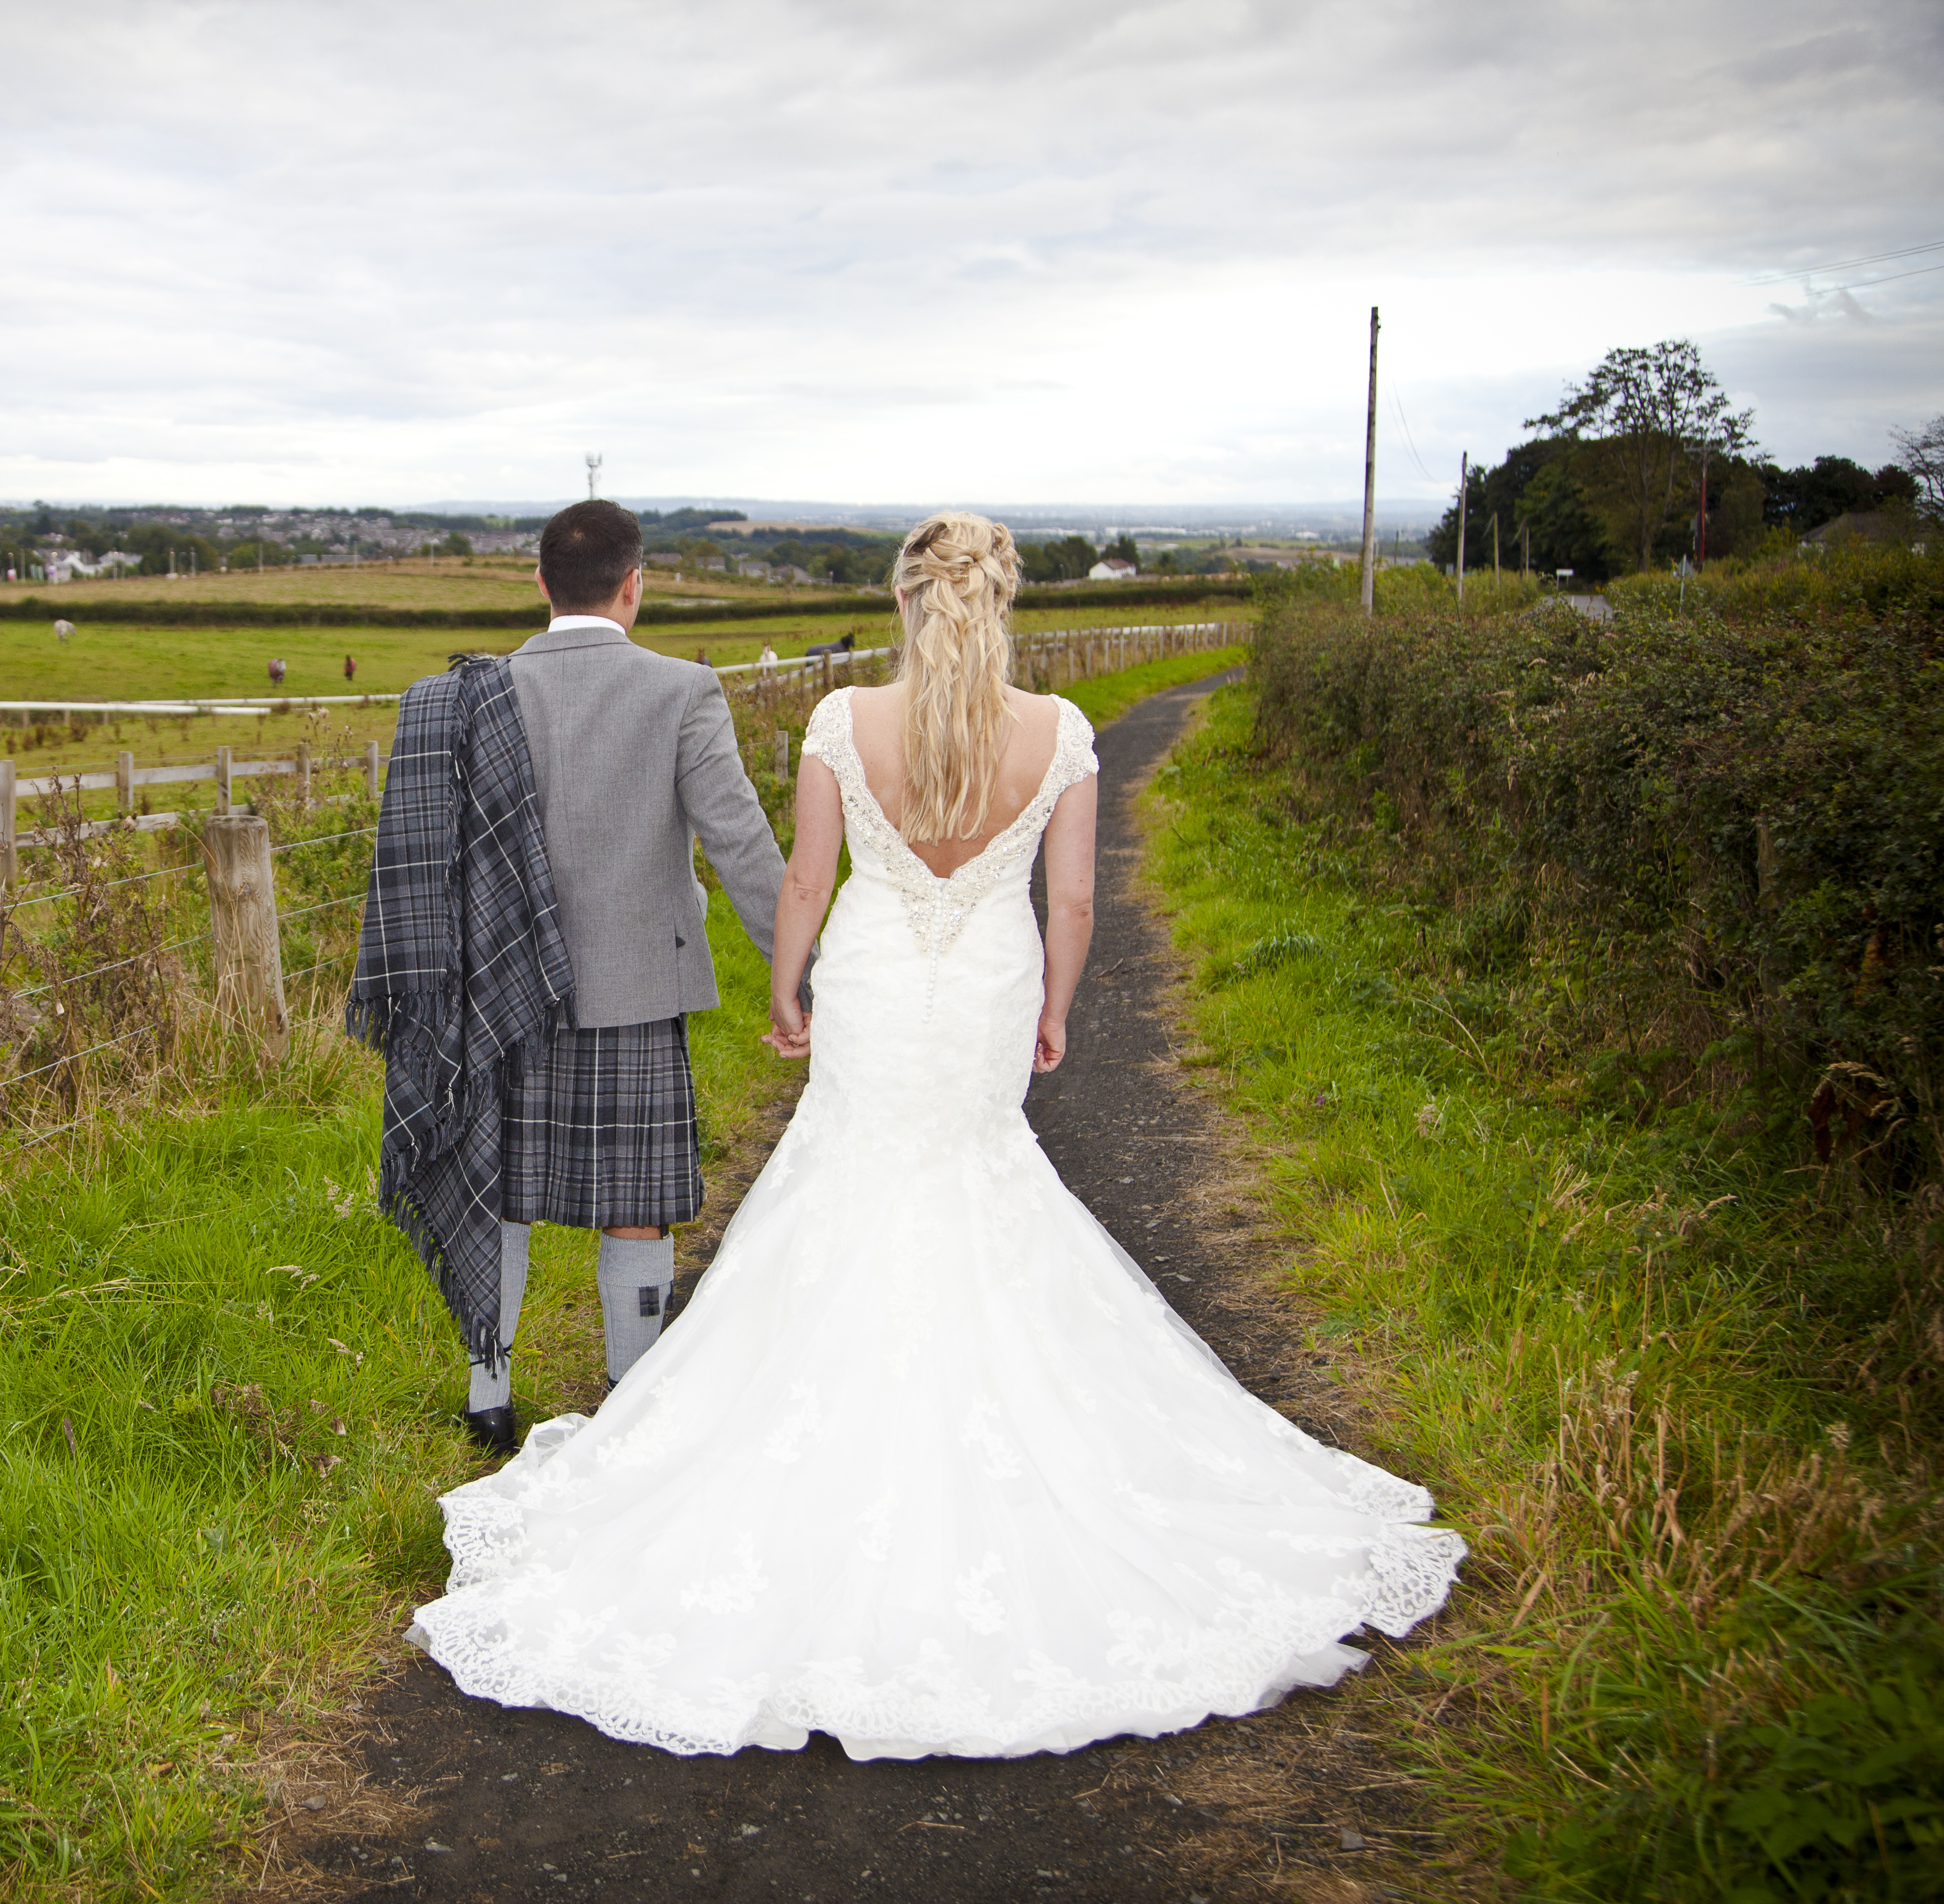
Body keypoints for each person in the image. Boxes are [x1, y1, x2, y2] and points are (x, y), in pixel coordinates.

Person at [407, 510, 1463, 1761]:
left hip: (871, 979)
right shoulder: (1058, 733)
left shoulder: (845, 720)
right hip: (982, 993)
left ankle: (649, 1411)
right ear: (1000, 602)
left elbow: (804, 877)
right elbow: (1072, 897)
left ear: (906, 601)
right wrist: (1058, 1007)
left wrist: (786, 982)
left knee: (846, 1179)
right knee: (978, 1178)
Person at [349, 500, 791, 1456]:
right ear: (636, 586)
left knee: (496, 1188)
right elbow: (743, 845)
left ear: (541, 583)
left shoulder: (473, 695)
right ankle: (632, 1398)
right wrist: (801, 976)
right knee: (635, 1203)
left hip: (498, 993)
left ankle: (488, 1396)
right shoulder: (682, 691)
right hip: (636, 990)